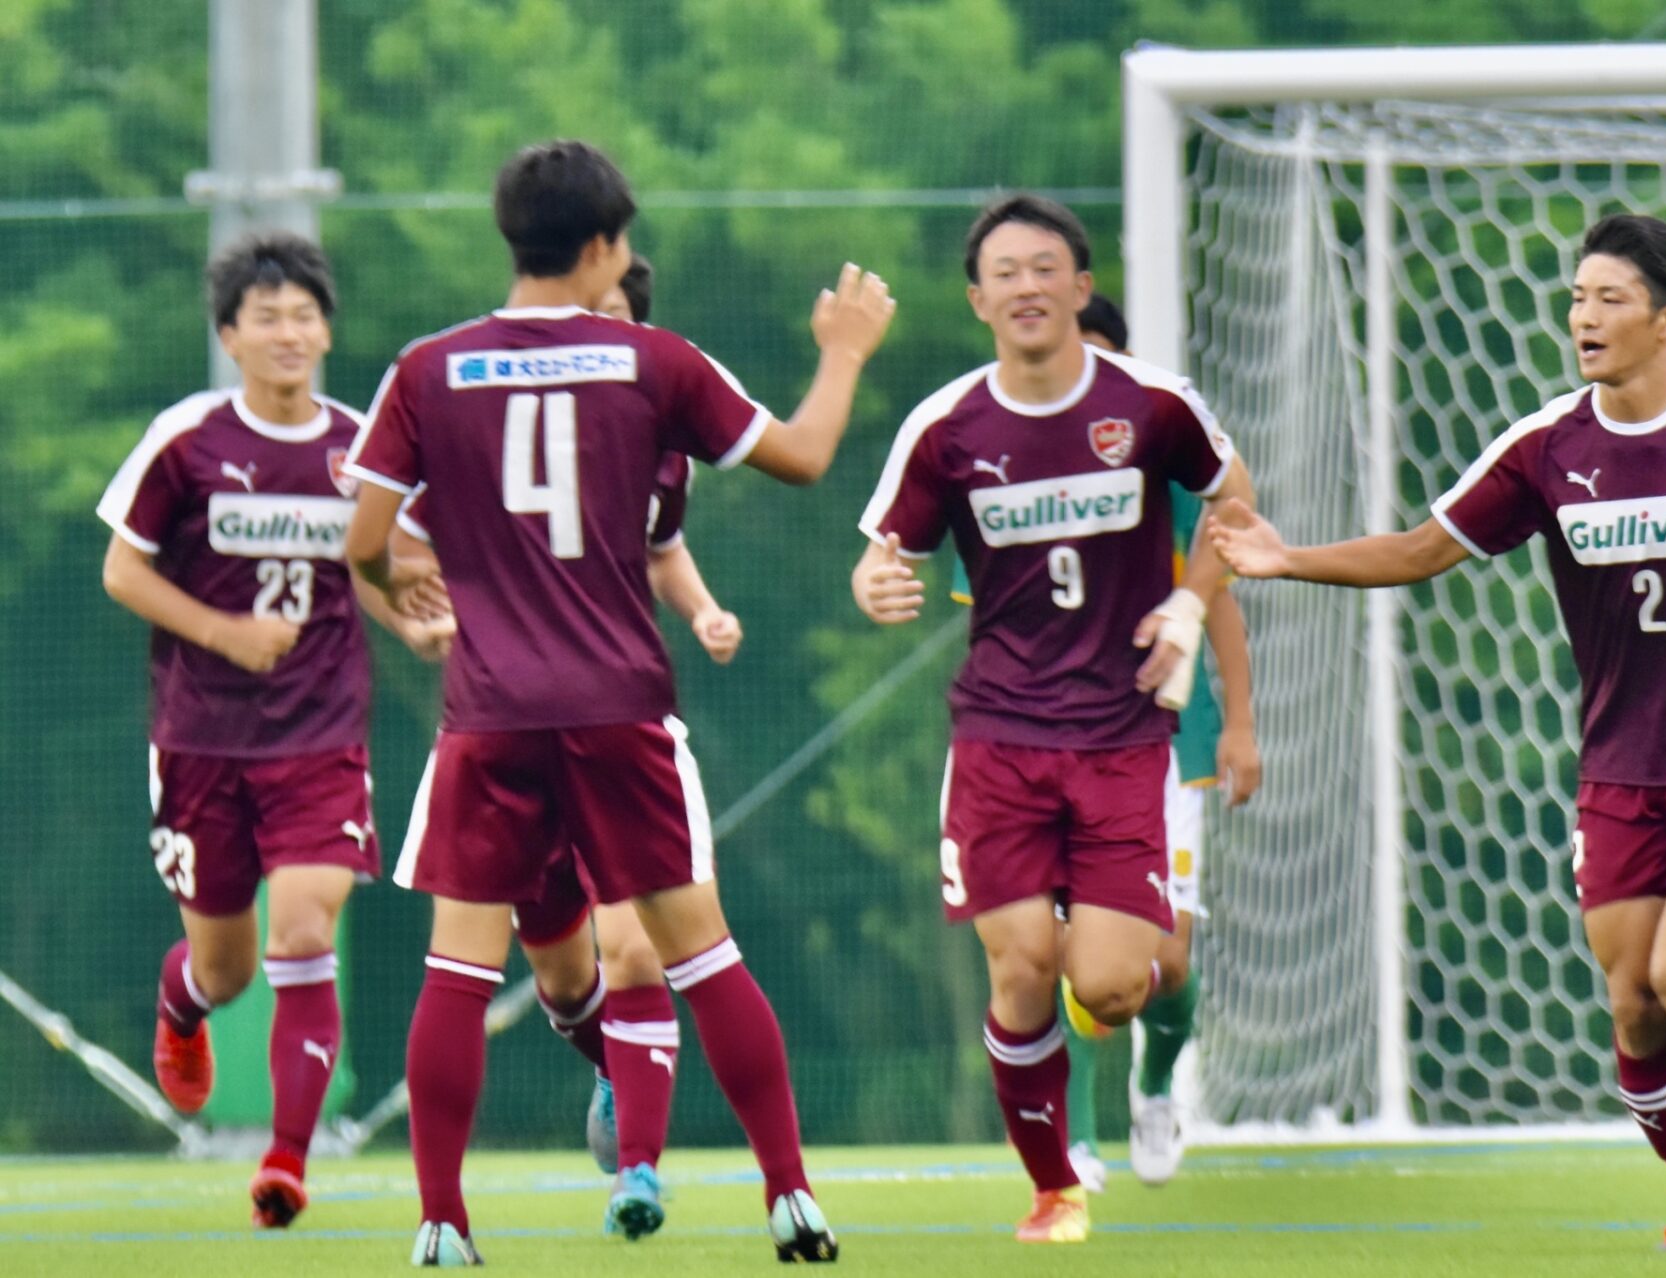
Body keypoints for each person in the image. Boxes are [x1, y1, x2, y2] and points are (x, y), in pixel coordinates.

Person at [1211, 213, 1666, 1251]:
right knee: (1635, 1009)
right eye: (1578, 297)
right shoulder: (1547, 449)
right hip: (1619, 769)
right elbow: (1419, 550)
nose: (1583, 316)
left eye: (1609, 299)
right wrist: (1287, 559)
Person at [343, 138, 892, 1267]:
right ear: (597, 249)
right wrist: (841, 355)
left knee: (455, 972)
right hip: (617, 708)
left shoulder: (426, 368)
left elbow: (364, 545)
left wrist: (412, 598)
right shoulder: (652, 360)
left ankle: (442, 1227)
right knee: (703, 956)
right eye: (624, 242)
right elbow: (802, 455)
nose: (626, 259)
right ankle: (791, 1198)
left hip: (489, 715)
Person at [852, 195, 1253, 1243]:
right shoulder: (946, 427)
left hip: (1125, 742)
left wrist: (1190, 598)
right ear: (978, 298)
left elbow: (1232, 497)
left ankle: (1135, 1070)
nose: (1027, 286)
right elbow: (883, 554)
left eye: (1047, 268)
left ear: (1080, 286)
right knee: (1021, 962)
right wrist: (878, 586)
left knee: (1116, 985)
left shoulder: (1153, 406)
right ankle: (1052, 1187)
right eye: (1005, 272)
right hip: (1000, 739)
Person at [388, 257, 744, 1239]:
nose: (586, 329)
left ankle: (637, 1171)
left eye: (611, 317)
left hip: (614, 723)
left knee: (634, 951)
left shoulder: (653, 423)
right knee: (559, 976)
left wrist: (706, 611)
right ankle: (606, 1068)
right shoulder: (484, 418)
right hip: (506, 730)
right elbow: (396, 540)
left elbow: (662, 541)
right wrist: (428, 614)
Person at [96, 233, 442, 1230]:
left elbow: (378, 572)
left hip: (321, 740)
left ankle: (285, 1163)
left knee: (301, 932)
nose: (290, 333)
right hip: (200, 740)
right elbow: (124, 571)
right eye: (269, 317)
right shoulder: (188, 440)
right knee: (228, 966)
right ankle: (184, 1005)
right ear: (230, 336)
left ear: (327, 330)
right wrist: (223, 634)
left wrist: (418, 621)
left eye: (305, 316)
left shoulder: (361, 446)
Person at [948, 293, 1262, 1191]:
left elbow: (1221, 595)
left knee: (1159, 967)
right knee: (1049, 951)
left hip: (1164, 748)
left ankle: (1158, 1087)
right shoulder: (1005, 473)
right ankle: (1075, 1137)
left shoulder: (1161, 468)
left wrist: (1238, 721)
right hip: (1039, 747)